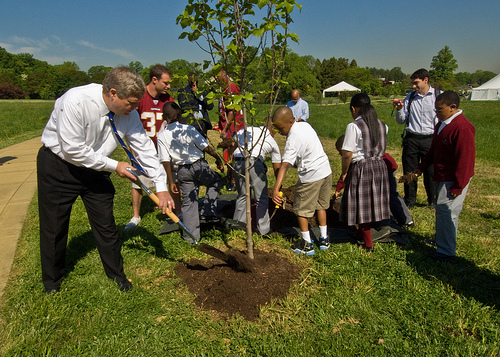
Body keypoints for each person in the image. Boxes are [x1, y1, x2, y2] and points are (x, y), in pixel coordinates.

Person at [37, 67, 174, 294]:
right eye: (130, 103)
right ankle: (52, 282)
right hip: (59, 166)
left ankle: (117, 275)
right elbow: (72, 150)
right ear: (112, 93)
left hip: (96, 169)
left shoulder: (128, 114)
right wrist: (115, 166)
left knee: (106, 224)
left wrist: (161, 187)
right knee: (54, 225)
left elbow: (145, 149)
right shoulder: (75, 101)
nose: (133, 108)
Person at [414, 91, 475, 262]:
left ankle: (446, 251)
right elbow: (433, 150)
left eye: (439, 109)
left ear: (453, 107)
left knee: (448, 212)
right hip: (442, 175)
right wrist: (421, 168)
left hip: (453, 178)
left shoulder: (462, 127)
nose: (436, 113)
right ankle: (442, 240)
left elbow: (466, 160)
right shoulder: (442, 124)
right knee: (442, 211)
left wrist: (458, 185)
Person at [157, 102, 224, 244]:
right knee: (215, 181)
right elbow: (205, 147)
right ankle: (208, 212)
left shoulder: (162, 135)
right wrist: (218, 159)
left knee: (188, 203)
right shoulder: (189, 129)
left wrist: (171, 180)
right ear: (180, 115)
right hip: (198, 166)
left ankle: (190, 238)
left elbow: (165, 160)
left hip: (182, 171)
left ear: (164, 117)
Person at [272, 106, 332, 255]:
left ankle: (307, 244)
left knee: (301, 210)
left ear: (290, 122)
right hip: (325, 170)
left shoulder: (293, 138)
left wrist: (276, 189)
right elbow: (319, 142)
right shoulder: (305, 125)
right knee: (321, 206)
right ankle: (324, 239)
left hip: (311, 176)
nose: (280, 132)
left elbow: (285, 165)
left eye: (281, 128)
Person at [125, 65, 176, 231]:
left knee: (171, 178)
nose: (168, 86)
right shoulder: (140, 98)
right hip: (143, 148)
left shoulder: (168, 99)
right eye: (165, 82)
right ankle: (136, 215)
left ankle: (173, 208)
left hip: (164, 149)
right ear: (154, 80)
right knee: (139, 182)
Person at [338, 93, 390, 252]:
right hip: (379, 167)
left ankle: (368, 244)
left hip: (363, 168)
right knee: (371, 203)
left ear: (353, 108)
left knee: (362, 205)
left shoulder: (354, 126)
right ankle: (361, 232)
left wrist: (344, 172)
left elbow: (347, 153)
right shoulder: (383, 125)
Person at [334, 135, 413, 228]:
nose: (340, 155)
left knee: (391, 195)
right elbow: (346, 173)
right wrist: (338, 188)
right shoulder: (356, 153)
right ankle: (378, 220)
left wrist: (339, 189)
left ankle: (406, 220)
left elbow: (346, 173)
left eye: (340, 152)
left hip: (386, 169)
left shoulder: (358, 154)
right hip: (379, 170)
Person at [393, 68, 439, 209]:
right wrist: (400, 109)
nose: (413, 86)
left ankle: (432, 201)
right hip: (412, 139)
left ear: (426, 80)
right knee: (410, 171)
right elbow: (401, 120)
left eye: (416, 83)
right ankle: (410, 201)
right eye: (413, 83)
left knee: (431, 172)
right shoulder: (410, 98)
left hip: (430, 139)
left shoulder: (438, 96)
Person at [231, 119, 281, 235]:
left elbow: (232, 145)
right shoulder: (270, 140)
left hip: (237, 162)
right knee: (261, 198)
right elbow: (277, 167)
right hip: (254, 162)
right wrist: (278, 186)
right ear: (272, 129)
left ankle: (238, 227)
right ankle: (263, 230)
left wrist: (230, 166)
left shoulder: (246, 130)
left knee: (242, 195)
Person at [177, 72, 214, 138]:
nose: (194, 83)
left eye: (196, 82)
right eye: (192, 81)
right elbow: (184, 106)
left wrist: (200, 95)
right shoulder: (183, 91)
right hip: (190, 123)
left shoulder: (203, 92)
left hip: (203, 124)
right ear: (188, 81)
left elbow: (210, 106)